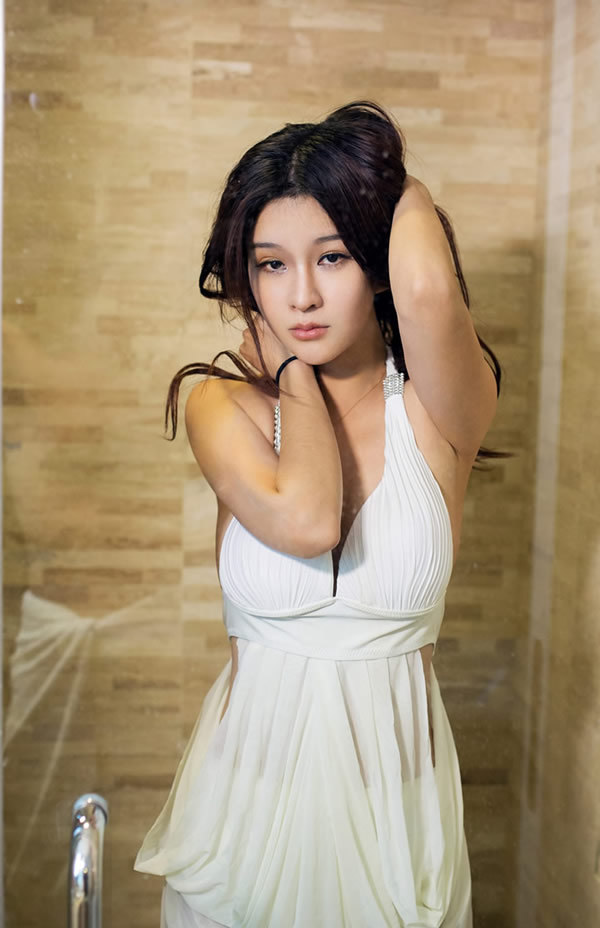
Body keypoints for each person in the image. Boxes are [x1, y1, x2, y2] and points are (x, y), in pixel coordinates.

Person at [134, 99, 504, 928]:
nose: (300, 295)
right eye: (271, 265)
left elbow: (427, 287)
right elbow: (308, 520)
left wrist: (381, 175)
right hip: (240, 827)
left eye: (332, 256)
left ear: (375, 261)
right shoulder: (223, 404)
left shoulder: (439, 412)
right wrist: (294, 377)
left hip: (398, 837)